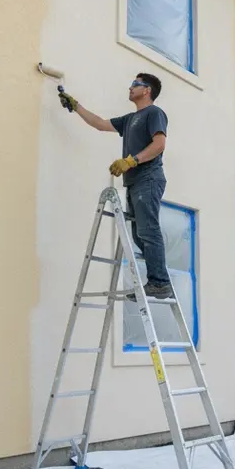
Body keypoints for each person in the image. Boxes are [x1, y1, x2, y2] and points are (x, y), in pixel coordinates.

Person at [57, 73, 172, 299]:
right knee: (140, 235)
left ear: (147, 90)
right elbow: (100, 124)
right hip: (134, 182)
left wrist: (132, 160)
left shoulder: (154, 113)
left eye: (135, 84)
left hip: (148, 178)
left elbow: (159, 144)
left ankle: (160, 282)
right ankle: (156, 281)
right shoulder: (130, 119)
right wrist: (76, 105)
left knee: (148, 230)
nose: (130, 87)